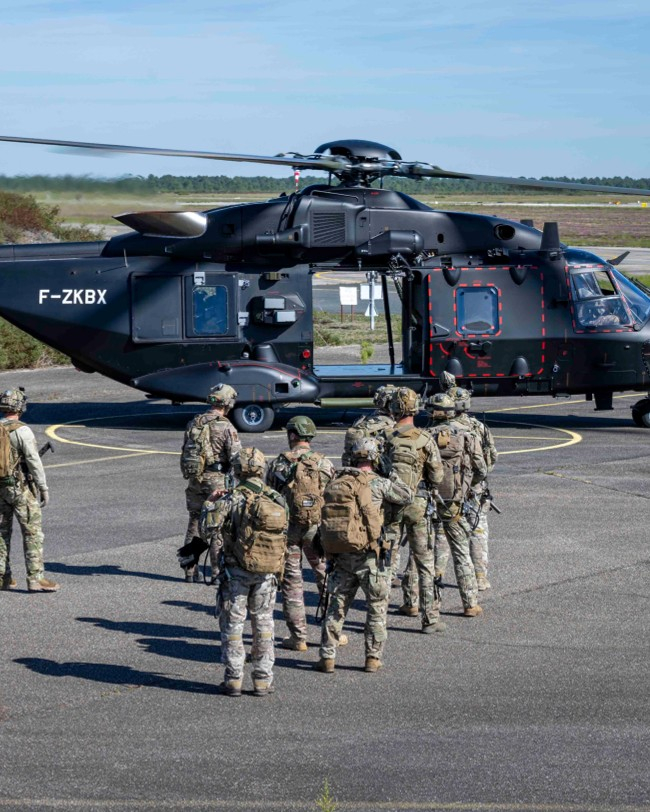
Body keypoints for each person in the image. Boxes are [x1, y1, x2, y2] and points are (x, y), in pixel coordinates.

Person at [316, 438, 412, 673]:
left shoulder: (336, 482)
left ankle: (327, 657)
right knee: (376, 609)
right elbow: (406, 496)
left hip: (341, 556)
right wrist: (392, 474)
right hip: (371, 557)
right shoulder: (379, 483)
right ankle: (372, 658)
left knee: (336, 608)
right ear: (375, 457)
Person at [200, 447, 289, 697]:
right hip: (267, 573)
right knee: (264, 624)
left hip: (235, 572)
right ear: (261, 470)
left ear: (237, 471)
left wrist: (209, 503)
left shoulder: (231, 499)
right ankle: (262, 679)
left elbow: (207, 531)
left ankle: (233, 679)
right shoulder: (276, 499)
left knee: (233, 624)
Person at [410, 393, 486, 617]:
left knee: (420, 553)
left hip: (426, 500)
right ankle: (470, 603)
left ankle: (413, 602)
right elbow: (481, 469)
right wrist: (465, 489)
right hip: (453, 502)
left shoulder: (422, 436)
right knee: (461, 551)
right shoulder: (467, 434)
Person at [266, 415, 335, 651]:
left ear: (293, 435)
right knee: (326, 577)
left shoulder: (279, 463)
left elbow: (270, 496)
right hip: (317, 530)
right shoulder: (324, 463)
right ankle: (332, 634)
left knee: (292, 582)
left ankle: (298, 637)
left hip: (288, 530)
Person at [382, 387, 445, 633]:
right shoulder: (425, 438)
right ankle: (430, 619)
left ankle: (378, 617)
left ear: (394, 409)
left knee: (385, 561)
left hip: (391, 504)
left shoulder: (385, 438)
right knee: (424, 562)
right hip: (418, 504)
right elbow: (437, 476)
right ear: (415, 409)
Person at [180, 383, 241, 582]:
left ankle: (190, 570)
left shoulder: (194, 422)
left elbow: (185, 449)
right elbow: (236, 457)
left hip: (196, 479)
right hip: (217, 481)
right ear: (228, 403)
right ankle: (217, 571)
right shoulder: (226, 426)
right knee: (217, 526)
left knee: (194, 523)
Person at [0, 388, 58, 592]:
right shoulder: (22, 431)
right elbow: (33, 461)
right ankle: (35, 578)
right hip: (19, 488)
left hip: (0, 488)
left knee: (1, 532)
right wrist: (43, 487)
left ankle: (2, 577)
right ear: (20, 407)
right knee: (32, 532)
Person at [443, 388, 498, 591]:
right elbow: (491, 457)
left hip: (448, 488)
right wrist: (476, 479)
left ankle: (434, 576)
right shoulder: (479, 427)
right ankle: (480, 577)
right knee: (478, 530)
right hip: (475, 487)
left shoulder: (440, 427)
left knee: (441, 531)